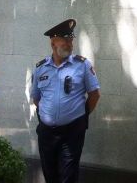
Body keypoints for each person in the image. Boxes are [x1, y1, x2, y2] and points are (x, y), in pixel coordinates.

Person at [30, 18, 101, 183]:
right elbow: (36, 98)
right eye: (65, 39)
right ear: (53, 42)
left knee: (67, 177)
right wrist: (49, 114)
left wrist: (80, 115)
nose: (69, 43)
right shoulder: (41, 68)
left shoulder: (82, 65)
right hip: (47, 134)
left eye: (71, 39)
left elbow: (95, 95)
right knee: (50, 174)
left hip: (71, 133)